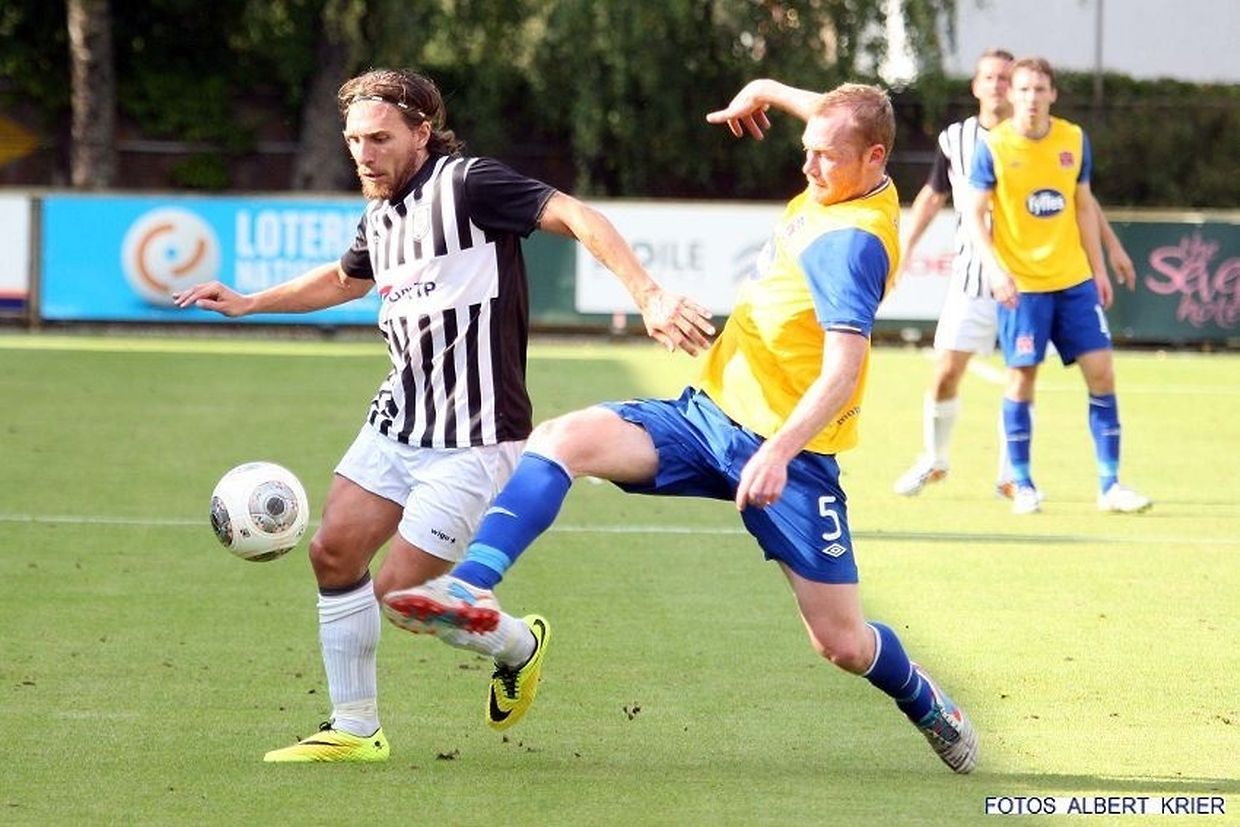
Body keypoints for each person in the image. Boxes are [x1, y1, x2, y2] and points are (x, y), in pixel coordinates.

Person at [381, 81, 980, 774]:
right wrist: (765, 90)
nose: (808, 166)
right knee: (562, 440)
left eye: (825, 156)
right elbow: (835, 115)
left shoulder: (851, 245)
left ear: (874, 157)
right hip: (708, 416)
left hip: (792, 457)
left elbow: (844, 371)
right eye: (807, 149)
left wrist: (779, 451)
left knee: (841, 643)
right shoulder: (853, 162)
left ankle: (926, 701)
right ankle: (473, 585)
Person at [172, 68, 714, 762]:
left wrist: (648, 295)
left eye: (379, 138)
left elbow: (579, 215)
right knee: (332, 552)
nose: (364, 154)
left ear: (422, 132)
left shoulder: (469, 184)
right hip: (398, 421)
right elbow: (344, 279)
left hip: (475, 436)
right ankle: (354, 729)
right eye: (353, 140)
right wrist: (250, 302)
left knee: (404, 595)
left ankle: (518, 644)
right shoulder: (380, 215)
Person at [892, 49, 1136, 499]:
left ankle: (1011, 476)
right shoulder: (959, 139)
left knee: (1022, 374)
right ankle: (935, 458)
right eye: (991, 78)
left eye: (1007, 79)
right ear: (976, 86)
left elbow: (1079, 199)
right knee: (946, 372)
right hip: (974, 276)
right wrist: (905, 248)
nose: (999, 86)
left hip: (1027, 280)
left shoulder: (1051, 138)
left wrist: (1111, 247)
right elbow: (932, 195)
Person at [967, 56, 1151, 515]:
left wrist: (1099, 269)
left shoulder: (1073, 139)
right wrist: (994, 269)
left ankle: (1110, 485)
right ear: (1011, 94)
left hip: (1073, 282)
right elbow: (974, 215)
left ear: (1053, 94)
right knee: (1022, 378)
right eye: (1023, 89)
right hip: (1022, 286)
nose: (1031, 98)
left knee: (1102, 372)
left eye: (1039, 89)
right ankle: (1022, 483)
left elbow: (1083, 206)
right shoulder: (994, 146)